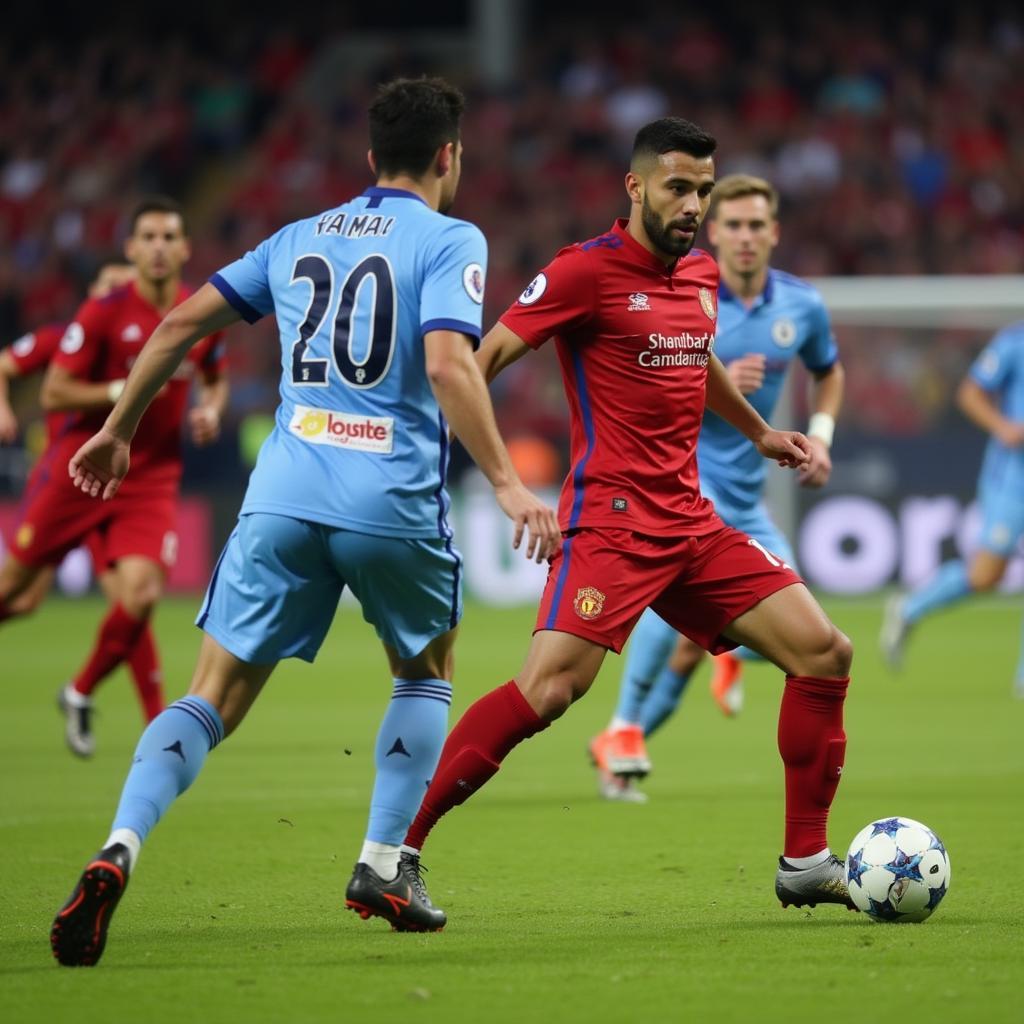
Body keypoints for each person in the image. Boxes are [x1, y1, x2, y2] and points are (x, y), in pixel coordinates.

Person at [50, 76, 560, 967]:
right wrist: (510, 484)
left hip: (281, 492)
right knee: (426, 667)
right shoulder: (450, 237)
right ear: (450, 157)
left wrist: (116, 429)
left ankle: (119, 846)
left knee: (211, 693)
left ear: (368, 159)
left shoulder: (296, 236)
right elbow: (448, 365)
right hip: (389, 499)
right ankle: (381, 864)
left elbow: (176, 325)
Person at [392, 117, 856, 925]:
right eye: (679, 187)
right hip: (611, 526)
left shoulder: (701, 272)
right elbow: (481, 360)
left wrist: (757, 432)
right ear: (637, 187)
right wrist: (498, 478)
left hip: (691, 522)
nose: (694, 205)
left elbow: (693, 352)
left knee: (823, 653)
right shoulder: (584, 273)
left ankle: (805, 861)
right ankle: (395, 853)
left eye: (704, 190)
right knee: (549, 692)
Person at [589, 174, 846, 802]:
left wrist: (821, 434)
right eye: (732, 225)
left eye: (757, 224)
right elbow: (646, 390)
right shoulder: (685, 294)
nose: (745, 237)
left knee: (812, 635)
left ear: (774, 232)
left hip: (746, 501)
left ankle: (632, 731)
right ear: (715, 231)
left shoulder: (800, 306)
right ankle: (624, 735)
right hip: (681, 491)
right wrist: (725, 379)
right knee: (676, 625)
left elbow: (829, 370)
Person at [0, 206, 229, 757]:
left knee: (142, 594)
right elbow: (53, 394)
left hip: (149, 481)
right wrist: (124, 393)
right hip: (80, 470)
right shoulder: (103, 312)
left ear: (184, 249)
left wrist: (212, 409)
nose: (157, 246)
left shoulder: (201, 312)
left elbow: (214, 375)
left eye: (168, 236)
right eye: (147, 236)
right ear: (129, 249)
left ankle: (97, 698)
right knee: (16, 594)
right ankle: (102, 700)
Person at [0, 264, 168, 727]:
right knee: (23, 596)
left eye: (125, 288)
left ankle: (153, 716)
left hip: (116, 488)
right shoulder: (62, 339)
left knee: (136, 599)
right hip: (65, 484)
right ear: (93, 295)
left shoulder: (145, 350)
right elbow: (8, 367)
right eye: (110, 288)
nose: (120, 297)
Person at [881, 322, 1024, 697]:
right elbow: (971, 393)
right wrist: (1004, 427)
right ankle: (911, 607)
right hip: (1012, 478)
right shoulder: (1014, 341)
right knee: (986, 576)